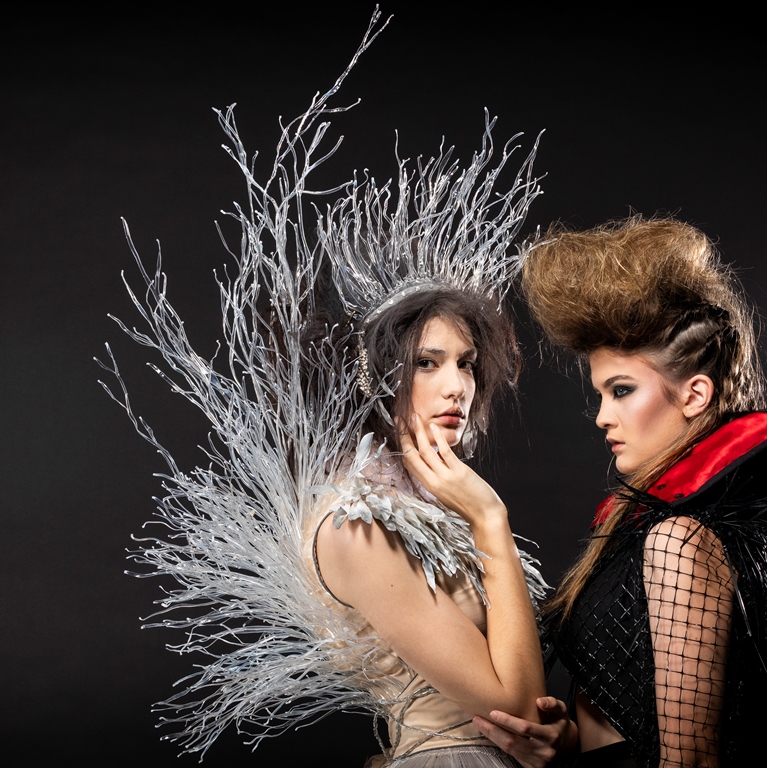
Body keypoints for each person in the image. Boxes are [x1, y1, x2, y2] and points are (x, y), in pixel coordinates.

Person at [99, 12, 549, 766]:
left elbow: (530, 709)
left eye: (468, 363)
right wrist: (493, 520)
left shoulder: (421, 501)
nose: (457, 385)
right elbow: (508, 702)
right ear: (379, 374)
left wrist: (560, 734)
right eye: (427, 362)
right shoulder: (357, 523)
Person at [473, 216, 767, 768]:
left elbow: (688, 762)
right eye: (600, 394)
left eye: (621, 391)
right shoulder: (663, 528)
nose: (601, 418)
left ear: (694, 395)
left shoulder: (679, 540)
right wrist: (568, 745)